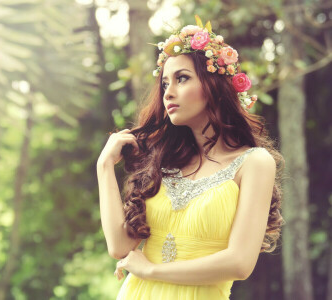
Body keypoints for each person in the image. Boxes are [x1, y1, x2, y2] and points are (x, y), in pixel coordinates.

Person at [96, 15, 285, 299]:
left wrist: (151, 270)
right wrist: (104, 166)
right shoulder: (163, 161)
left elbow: (239, 263)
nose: (168, 93)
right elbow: (119, 246)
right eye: (164, 84)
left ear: (214, 86)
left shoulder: (254, 163)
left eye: (182, 79)